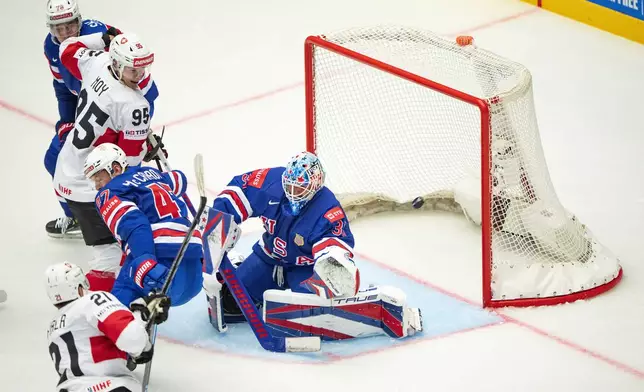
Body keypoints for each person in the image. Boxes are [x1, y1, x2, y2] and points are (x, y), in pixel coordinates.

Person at [204, 152, 423, 340]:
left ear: (315, 187)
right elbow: (237, 191)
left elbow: (336, 247)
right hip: (268, 257)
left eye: (299, 189)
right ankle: (243, 270)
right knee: (231, 304)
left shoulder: (327, 210)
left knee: (309, 313)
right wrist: (222, 224)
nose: (291, 192)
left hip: (305, 268)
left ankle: (357, 302)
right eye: (289, 185)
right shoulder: (271, 181)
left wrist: (333, 269)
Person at [54, 30, 162, 291]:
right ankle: (98, 308)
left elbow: (67, 48)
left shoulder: (97, 63)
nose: (140, 76)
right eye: (133, 70)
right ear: (116, 63)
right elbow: (130, 165)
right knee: (112, 256)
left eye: (143, 68)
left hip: (66, 171)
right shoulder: (135, 105)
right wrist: (144, 145)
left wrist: (103, 37)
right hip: (91, 187)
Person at [43, 0, 159, 239]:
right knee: (53, 159)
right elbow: (63, 88)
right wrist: (66, 122)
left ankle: (122, 218)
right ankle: (80, 216)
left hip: (111, 118)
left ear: (79, 20)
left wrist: (140, 128)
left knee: (118, 173)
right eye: (59, 28)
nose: (65, 33)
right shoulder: (53, 46)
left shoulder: (101, 43)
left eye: (70, 25)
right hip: (93, 110)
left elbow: (148, 95)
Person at [84, 143, 203, 307]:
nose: (97, 186)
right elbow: (179, 180)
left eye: (99, 178)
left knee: (120, 299)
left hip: (163, 266)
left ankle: (121, 327)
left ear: (116, 168)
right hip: (194, 262)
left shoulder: (109, 193)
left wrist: (145, 262)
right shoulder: (152, 172)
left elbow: (135, 225)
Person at [45, 262, 169, 392]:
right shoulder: (93, 300)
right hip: (108, 387)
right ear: (79, 286)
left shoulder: (53, 327)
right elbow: (132, 338)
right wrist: (143, 319)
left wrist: (141, 316)